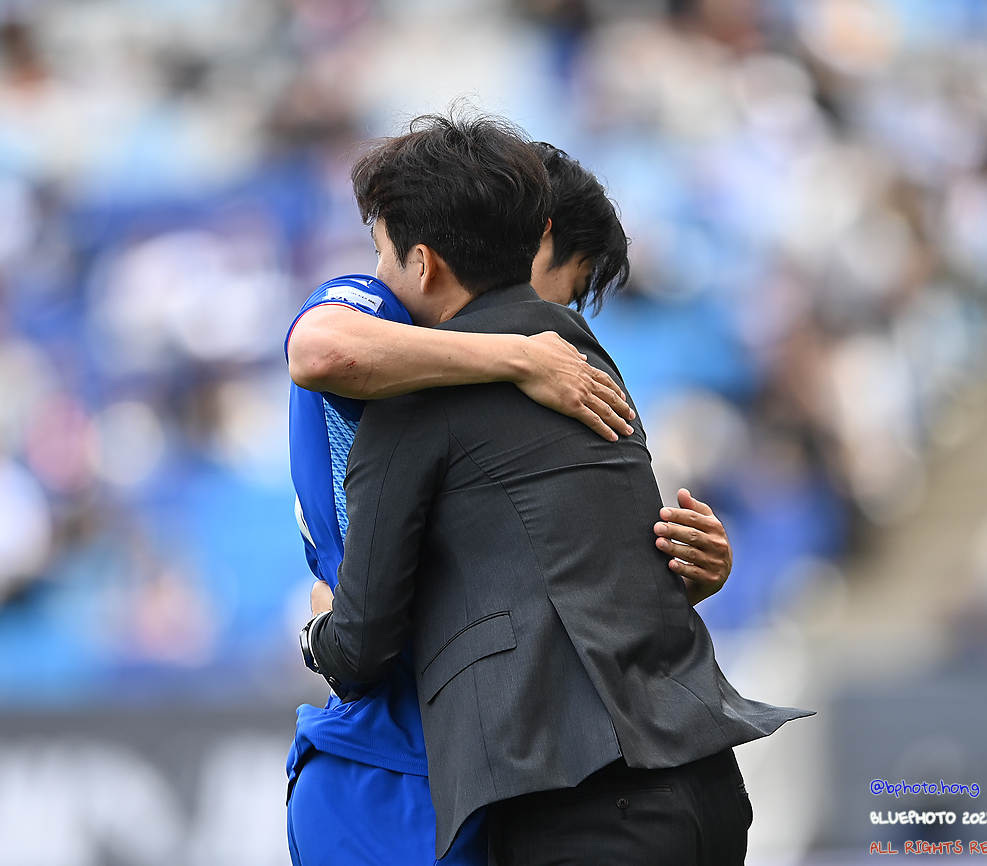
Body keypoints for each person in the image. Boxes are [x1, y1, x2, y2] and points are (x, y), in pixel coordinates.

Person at [303, 112, 810, 865]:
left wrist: (319, 629)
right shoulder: (586, 362)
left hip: (580, 805)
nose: (377, 276)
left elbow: (363, 646)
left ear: (424, 263)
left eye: (383, 255)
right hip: (706, 790)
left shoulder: (410, 401)